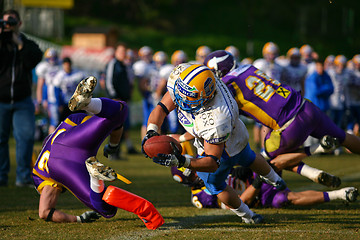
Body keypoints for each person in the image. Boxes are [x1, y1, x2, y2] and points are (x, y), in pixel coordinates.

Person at [142, 63, 286, 224]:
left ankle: (248, 216)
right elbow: (161, 108)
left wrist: (182, 161)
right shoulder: (190, 79)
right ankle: (275, 179)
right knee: (249, 157)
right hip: (238, 133)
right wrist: (151, 132)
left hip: (225, 147)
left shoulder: (216, 119)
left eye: (189, 97)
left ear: (206, 97)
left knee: (215, 185)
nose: (181, 100)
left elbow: (212, 162)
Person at [204, 50, 360, 187]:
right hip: (306, 107)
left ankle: (315, 154)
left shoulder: (228, 85)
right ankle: (315, 170)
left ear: (218, 71)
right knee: (344, 137)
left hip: (289, 125)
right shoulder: (249, 68)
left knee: (268, 161)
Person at [32, 76, 164, 229]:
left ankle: (96, 179)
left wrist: (78, 219)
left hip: (59, 166)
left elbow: (45, 212)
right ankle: (89, 103)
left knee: (106, 209)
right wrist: (113, 146)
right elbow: (111, 123)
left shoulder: (39, 173)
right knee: (120, 110)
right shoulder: (62, 128)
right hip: (71, 139)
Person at [170, 166, 358, 209]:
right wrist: (258, 183)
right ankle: (340, 194)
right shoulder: (203, 196)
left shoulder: (208, 167)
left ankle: (314, 159)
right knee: (284, 199)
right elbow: (239, 203)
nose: (198, 171)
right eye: (194, 173)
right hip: (256, 196)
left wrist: (240, 169)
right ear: (189, 181)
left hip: (252, 178)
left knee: (274, 156)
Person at [0, 9, 43, 187]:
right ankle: (1, 177)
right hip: (1, 100)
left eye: (12, 22)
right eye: (5, 23)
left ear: (20, 24)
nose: (8, 26)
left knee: (25, 138)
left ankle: (23, 177)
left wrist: (20, 45)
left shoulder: (28, 44)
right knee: (0, 139)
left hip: (22, 100)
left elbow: (32, 61)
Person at [102, 42, 138, 159]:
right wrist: (114, 96)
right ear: (116, 52)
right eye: (121, 51)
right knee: (115, 126)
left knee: (123, 126)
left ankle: (117, 152)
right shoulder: (113, 64)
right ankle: (112, 152)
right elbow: (108, 81)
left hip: (123, 100)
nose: (124, 54)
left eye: (124, 51)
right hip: (116, 100)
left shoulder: (124, 65)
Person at [35, 47, 62, 134]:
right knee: (53, 121)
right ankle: (51, 142)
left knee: (60, 121)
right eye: (50, 58)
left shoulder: (60, 66)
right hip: (50, 98)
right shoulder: (44, 68)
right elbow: (40, 86)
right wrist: (41, 100)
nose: (52, 60)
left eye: (54, 57)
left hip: (61, 97)